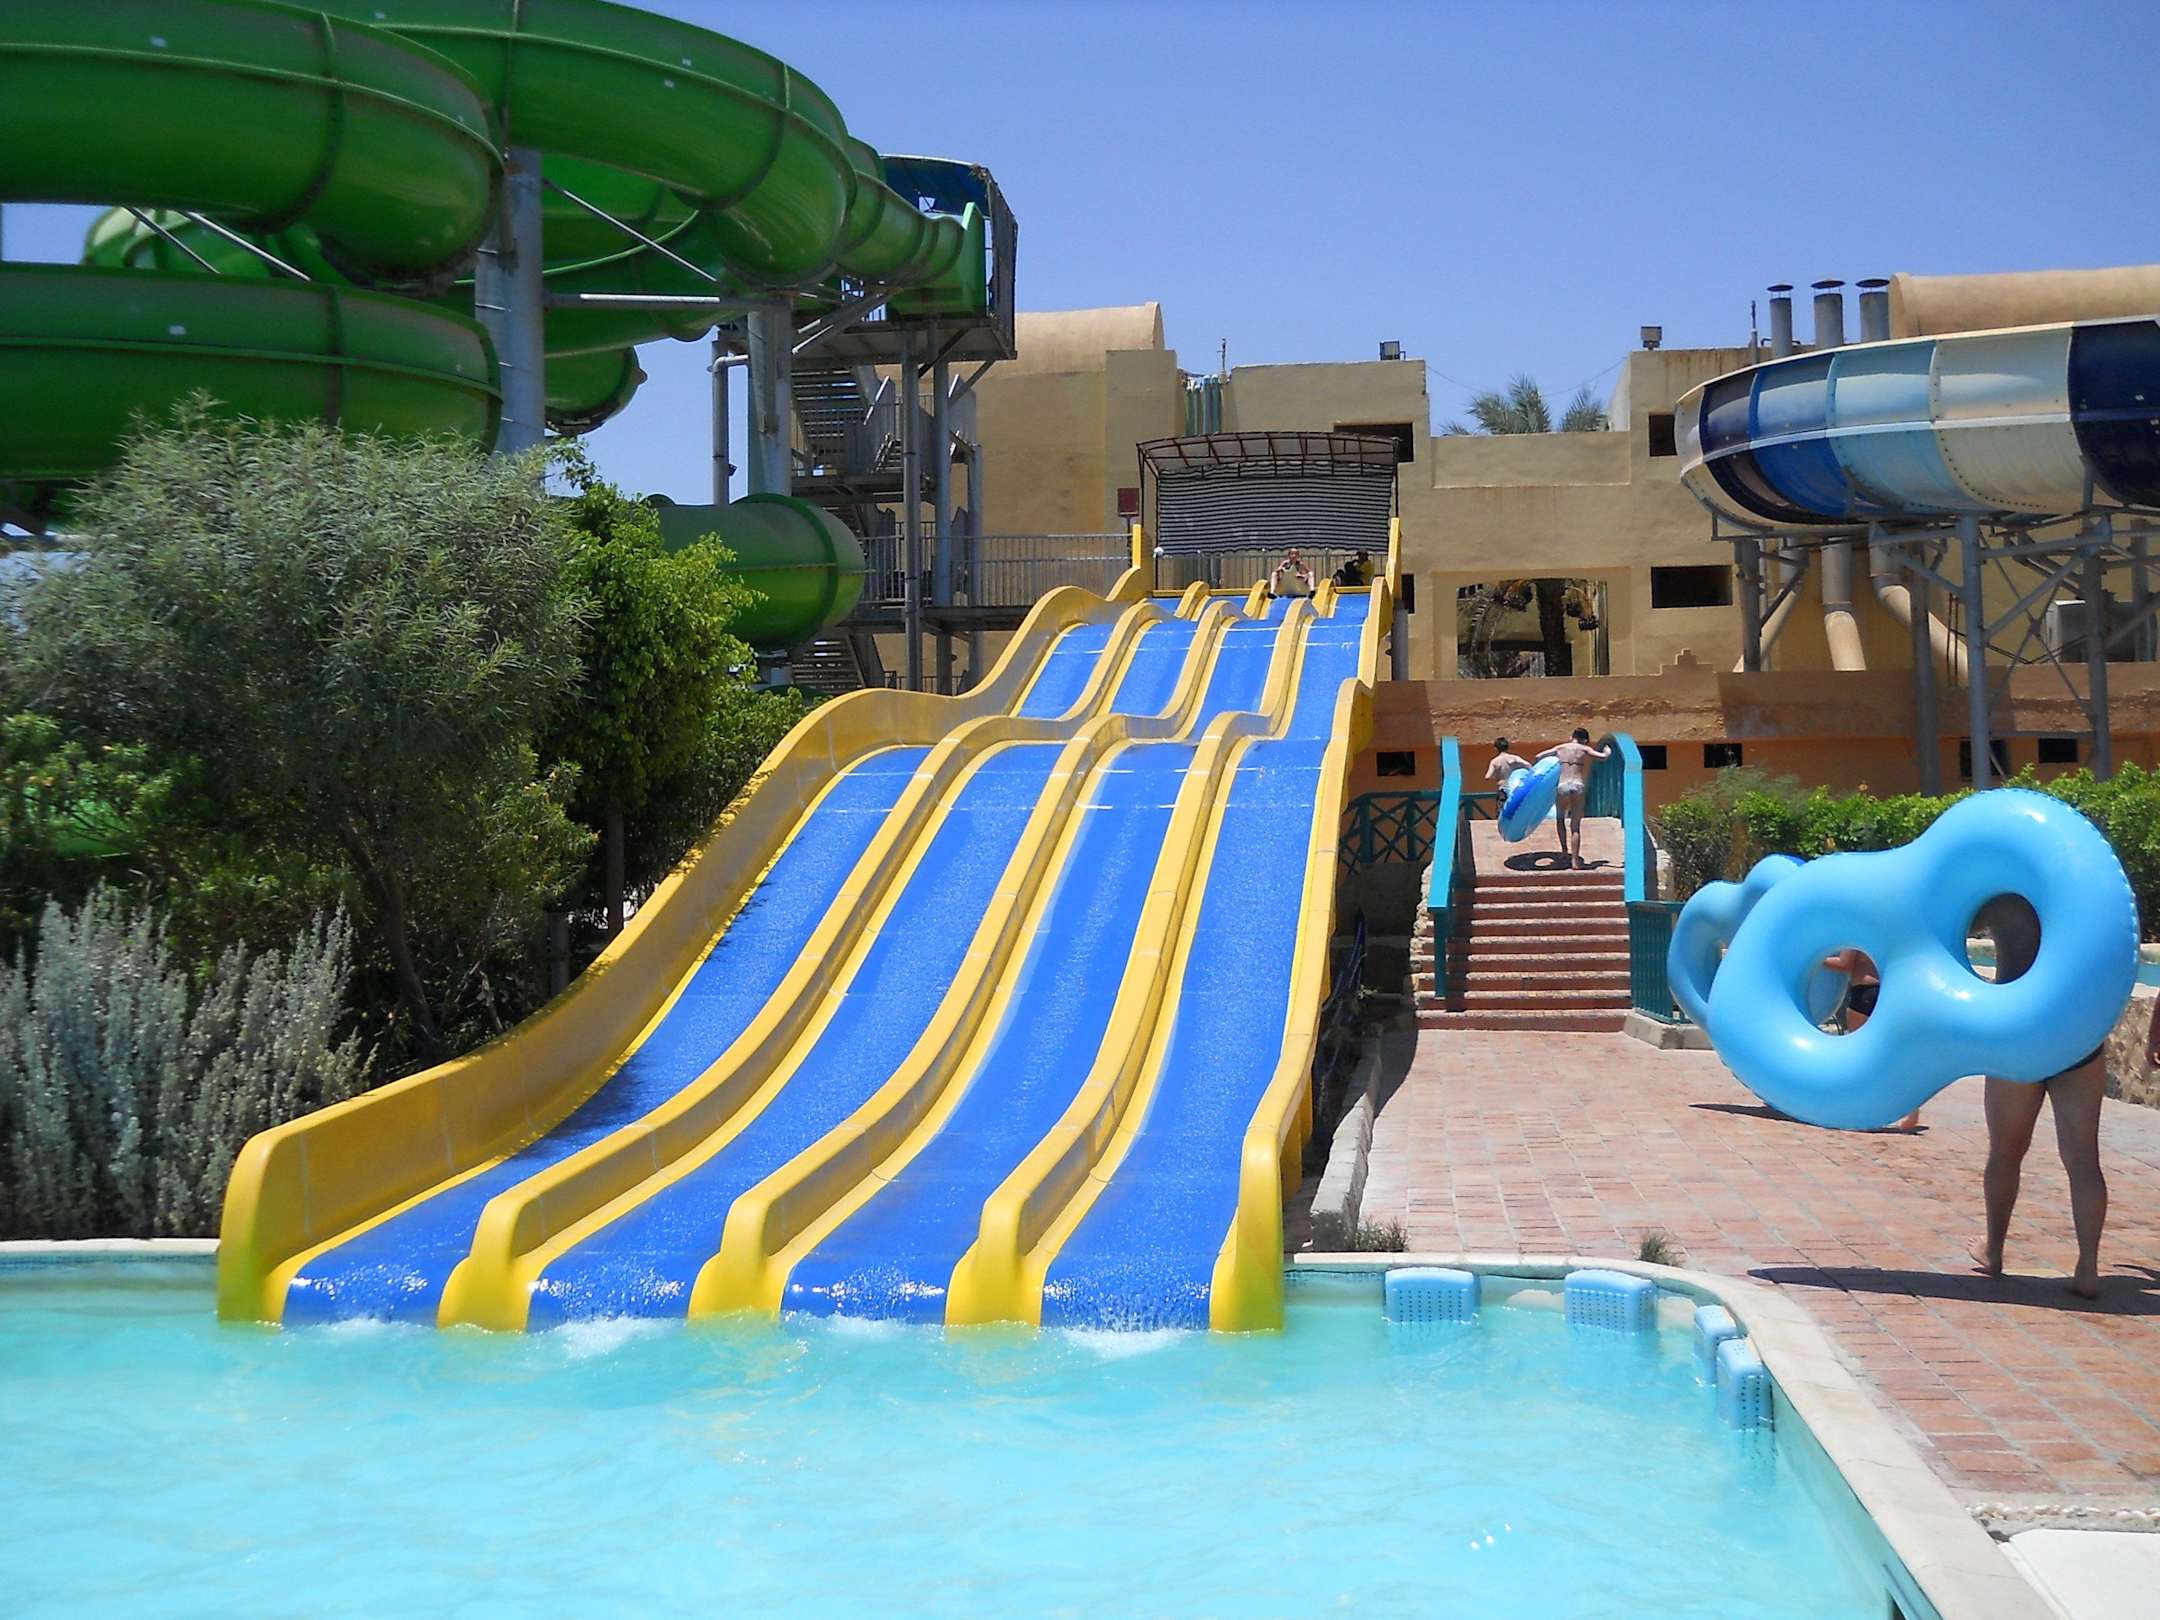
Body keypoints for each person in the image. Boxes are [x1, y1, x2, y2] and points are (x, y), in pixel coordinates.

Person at [1966, 895, 2108, 1298]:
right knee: (2083, 1159)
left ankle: (1994, 1249)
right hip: (2078, 1033)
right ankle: (2088, 1267)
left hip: (2020, 1030)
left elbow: (1953, 924)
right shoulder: (2090, 893)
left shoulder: (2003, 898)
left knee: (2005, 1152)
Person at [1820, 947, 1922, 1131]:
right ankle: (1912, 1108)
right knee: (1887, 1054)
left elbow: (1844, 964)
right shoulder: (1888, 935)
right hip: (1886, 992)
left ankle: (1861, 1111)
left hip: (1864, 992)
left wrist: (1817, 959)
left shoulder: (1856, 934)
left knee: (1860, 1054)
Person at [1534, 727, 1611, 868]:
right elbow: (1603, 757)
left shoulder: (1560, 748)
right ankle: (1575, 860)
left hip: (1562, 785)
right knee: (1575, 826)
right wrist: (1607, 751)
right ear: (1585, 740)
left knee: (1560, 819)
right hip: (1577, 785)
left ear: (1571, 736)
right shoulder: (1585, 749)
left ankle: (1564, 851)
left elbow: (1539, 756)